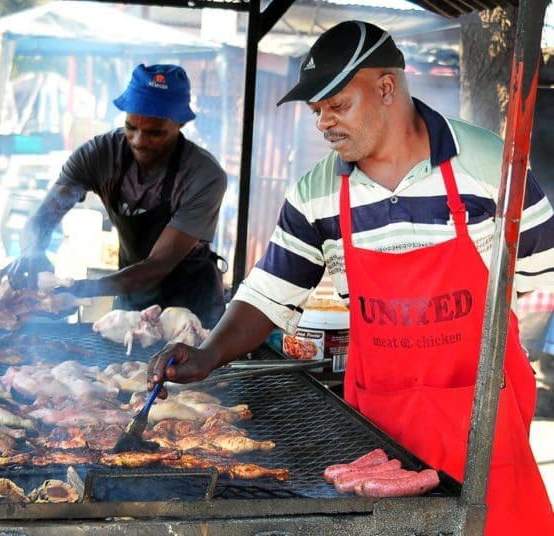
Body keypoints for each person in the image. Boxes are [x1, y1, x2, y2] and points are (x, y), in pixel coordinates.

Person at [147, 20, 554, 534]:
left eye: (337, 105)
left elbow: (543, 273)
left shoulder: (491, 166)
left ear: (386, 88)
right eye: (317, 112)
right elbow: (270, 294)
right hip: (375, 431)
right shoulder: (316, 193)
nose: (324, 123)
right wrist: (207, 354)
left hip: (480, 425)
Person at [0, 64, 228, 327]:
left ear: (180, 124)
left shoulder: (203, 175)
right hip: (131, 295)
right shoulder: (99, 155)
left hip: (192, 306)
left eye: (155, 132)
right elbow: (43, 218)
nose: (140, 140)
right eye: (131, 127)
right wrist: (32, 249)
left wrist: (80, 289)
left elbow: (157, 266)